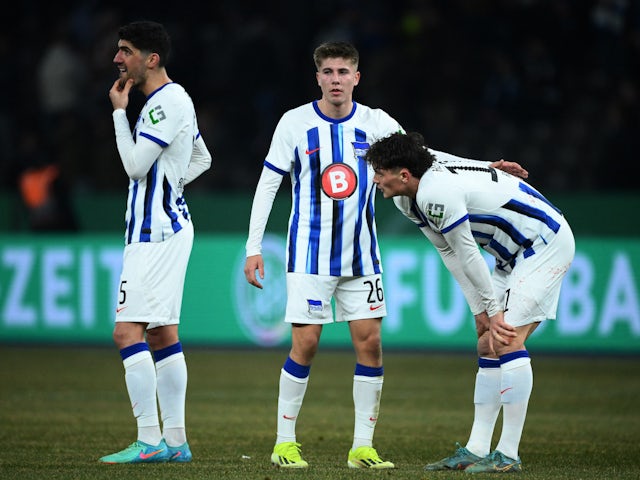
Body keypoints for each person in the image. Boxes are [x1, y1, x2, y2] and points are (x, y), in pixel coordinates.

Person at [243, 41, 527, 470]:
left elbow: (424, 159)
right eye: (328, 72)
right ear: (316, 77)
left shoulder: (376, 122)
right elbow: (268, 184)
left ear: (357, 77)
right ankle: (284, 442)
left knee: (370, 344)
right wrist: (253, 247)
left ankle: (363, 447)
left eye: (344, 72)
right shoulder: (294, 124)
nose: (336, 79)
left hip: (362, 255)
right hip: (309, 253)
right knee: (305, 343)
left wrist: (486, 165)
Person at [364, 131, 575, 473]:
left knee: (506, 340)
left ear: (404, 175)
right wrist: (479, 309)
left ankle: (508, 454)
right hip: (510, 252)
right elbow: (447, 250)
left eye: (380, 172)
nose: (375, 179)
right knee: (487, 344)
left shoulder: (437, 194)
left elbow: (468, 252)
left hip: (544, 242)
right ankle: (477, 448)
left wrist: (492, 310)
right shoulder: (407, 197)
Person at [99, 20, 212, 464]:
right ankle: (177, 442)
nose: (116, 58)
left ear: (152, 59)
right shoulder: (173, 100)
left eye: (124, 51)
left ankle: (149, 441)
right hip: (165, 227)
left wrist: (117, 113)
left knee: (126, 332)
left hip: (155, 234)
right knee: (163, 334)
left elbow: (133, 166)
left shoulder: (163, 105)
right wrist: (173, 186)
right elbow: (203, 157)